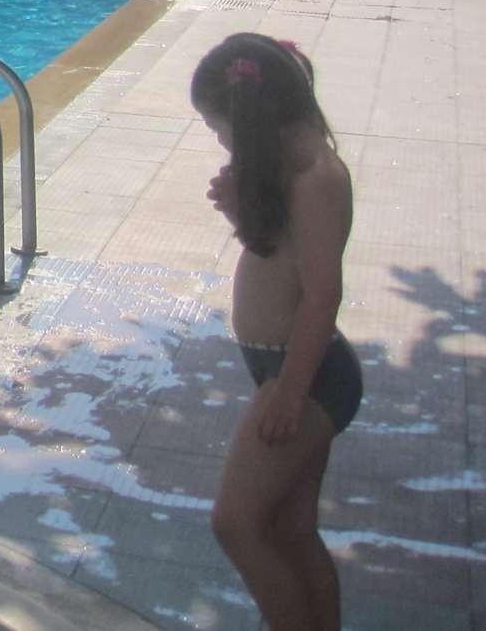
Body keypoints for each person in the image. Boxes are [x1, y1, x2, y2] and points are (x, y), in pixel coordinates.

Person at [193, 33, 356, 631]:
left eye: (219, 129)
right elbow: (280, 257)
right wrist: (241, 213)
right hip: (287, 367)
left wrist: (290, 391)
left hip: (305, 373)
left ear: (251, 118)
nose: (221, 142)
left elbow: (321, 296)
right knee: (291, 529)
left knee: (236, 523)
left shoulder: (317, 178)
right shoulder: (295, 171)